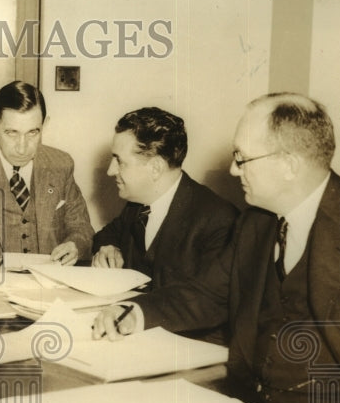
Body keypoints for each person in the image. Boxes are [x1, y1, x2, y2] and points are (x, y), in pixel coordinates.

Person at [91, 93, 340, 403]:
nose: (235, 171)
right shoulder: (256, 223)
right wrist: (133, 312)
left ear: (288, 164)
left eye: (242, 158)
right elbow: (206, 293)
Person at [92, 107, 237, 335]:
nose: (111, 171)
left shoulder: (219, 220)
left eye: (119, 161)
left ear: (156, 168)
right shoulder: (136, 205)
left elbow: (204, 303)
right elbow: (107, 234)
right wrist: (109, 247)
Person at [0, 80, 93, 265]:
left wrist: (74, 244)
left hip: (48, 285)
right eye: (12, 133)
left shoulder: (61, 164)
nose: (22, 147)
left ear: (45, 124)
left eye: (33, 133)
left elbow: (81, 227)